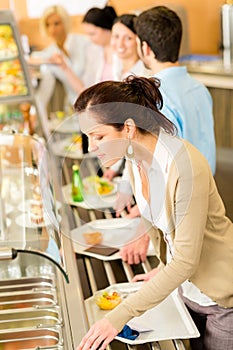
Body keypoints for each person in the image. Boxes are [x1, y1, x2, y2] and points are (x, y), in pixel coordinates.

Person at [74, 75, 233, 350]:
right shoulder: (135, 160)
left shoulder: (184, 167)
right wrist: (161, 268)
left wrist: (118, 316)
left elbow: (186, 261)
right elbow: (168, 233)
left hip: (220, 299)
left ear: (128, 128)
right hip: (184, 290)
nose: (91, 147)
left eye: (98, 136)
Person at [114, 5, 216, 265]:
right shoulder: (199, 89)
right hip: (207, 199)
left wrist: (142, 230)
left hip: (179, 210)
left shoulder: (156, 98)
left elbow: (162, 168)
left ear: (145, 48)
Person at [104, 13, 150, 180]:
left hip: (140, 160)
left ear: (139, 41)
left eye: (128, 38)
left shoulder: (143, 78)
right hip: (123, 156)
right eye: (116, 36)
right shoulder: (117, 68)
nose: (120, 44)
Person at [31, 5, 95, 107]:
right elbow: (32, 60)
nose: (52, 29)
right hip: (76, 104)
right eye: (48, 25)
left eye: (57, 23)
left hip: (96, 98)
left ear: (65, 22)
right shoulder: (49, 54)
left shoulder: (84, 42)